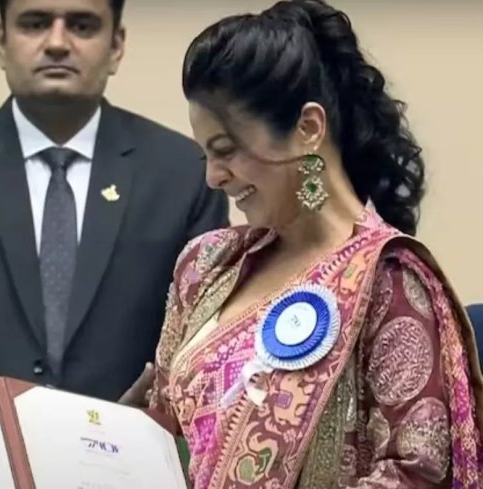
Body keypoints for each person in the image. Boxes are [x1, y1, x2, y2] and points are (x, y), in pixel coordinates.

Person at [124, 0, 483, 486]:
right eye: (205, 154)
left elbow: (417, 471)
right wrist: (119, 439)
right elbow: (165, 431)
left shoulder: (389, 279)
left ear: (308, 129)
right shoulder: (205, 266)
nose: (212, 177)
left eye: (226, 150)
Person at [0, 0, 228, 401]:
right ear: (1, 42)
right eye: (35, 23)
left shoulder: (186, 172)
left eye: (82, 25)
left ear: (116, 46)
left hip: (131, 452)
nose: (57, 43)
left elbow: (202, 348)